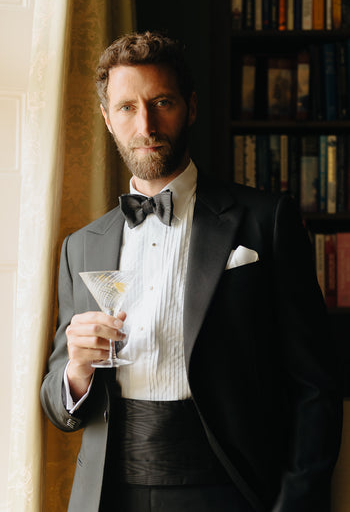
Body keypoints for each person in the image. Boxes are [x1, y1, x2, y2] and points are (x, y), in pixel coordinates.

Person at [40, 31, 343, 512]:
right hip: (109, 493)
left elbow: (315, 386)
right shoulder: (81, 247)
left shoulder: (267, 220)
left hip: (235, 489)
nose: (146, 123)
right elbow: (59, 405)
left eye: (162, 102)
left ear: (191, 106)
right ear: (107, 118)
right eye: (126, 107)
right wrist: (76, 370)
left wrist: (298, 502)